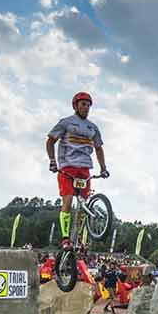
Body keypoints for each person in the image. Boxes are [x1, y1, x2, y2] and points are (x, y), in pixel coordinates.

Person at [46, 91, 108, 248]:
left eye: (88, 105)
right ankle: (65, 238)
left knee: (83, 204)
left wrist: (103, 168)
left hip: (85, 168)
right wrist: (53, 161)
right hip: (68, 167)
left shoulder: (92, 127)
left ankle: (78, 236)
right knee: (68, 201)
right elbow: (50, 141)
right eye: (83, 104)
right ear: (76, 105)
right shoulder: (66, 123)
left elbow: (99, 149)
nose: (86, 108)